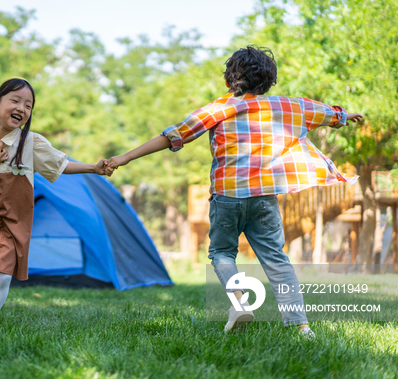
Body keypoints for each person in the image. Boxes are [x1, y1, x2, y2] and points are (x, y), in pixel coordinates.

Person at [107, 46, 363, 338]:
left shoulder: (219, 107)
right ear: (268, 82)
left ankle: (240, 303)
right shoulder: (288, 106)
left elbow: (174, 135)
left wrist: (124, 157)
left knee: (222, 253)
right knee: (276, 258)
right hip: (264, 197)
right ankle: (301, 325)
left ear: (230, 80)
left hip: (227, 195)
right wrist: (345, 117)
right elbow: (327, 113)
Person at [0, 76, 110, 333]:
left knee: (4, 276)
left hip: (14, 219)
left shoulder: (31, 143)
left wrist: (94, 168)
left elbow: (61, 164)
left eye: (28, 105)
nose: (22, 108)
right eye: (15, 101)